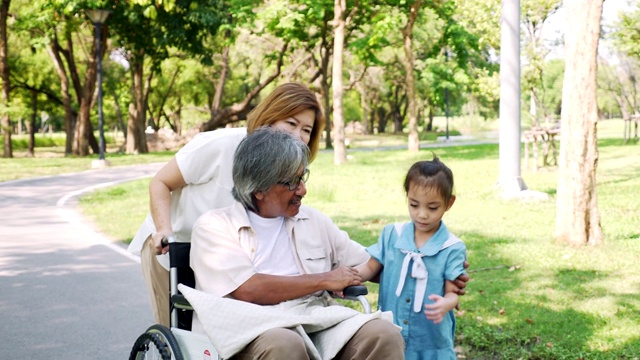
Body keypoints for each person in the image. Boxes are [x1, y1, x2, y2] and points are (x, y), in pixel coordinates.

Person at [185, 127, 405, 360]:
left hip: (313, 320)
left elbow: (370, 262)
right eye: (292, 182)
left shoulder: (313, 221)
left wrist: (430, 262)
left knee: (383, 333)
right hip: (250, 329)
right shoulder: (214, 227)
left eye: (302, 177)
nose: (303, 190)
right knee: (286, 344)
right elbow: (249, 289)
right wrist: (324, 279)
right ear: (260, 189)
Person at [127, 82, 326, 327]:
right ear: (269, 116)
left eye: (306, 130)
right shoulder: (222, 145)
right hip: (175, 246)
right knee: (178, 331)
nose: (297, 136)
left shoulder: (289, 167)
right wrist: (163, 229)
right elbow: (160, 182)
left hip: (226, 253)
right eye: (291, 123)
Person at [356, 156, 467, 360]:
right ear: (407, 197)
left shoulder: (452, 247)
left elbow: (453, 292)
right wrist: (348, 277)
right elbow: (370, 268)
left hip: (431, 340)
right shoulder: (392, 234)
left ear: (449, 203)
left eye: (432, 208)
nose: (422, 214)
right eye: (414, 205)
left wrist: (445, 304)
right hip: (393, 332)